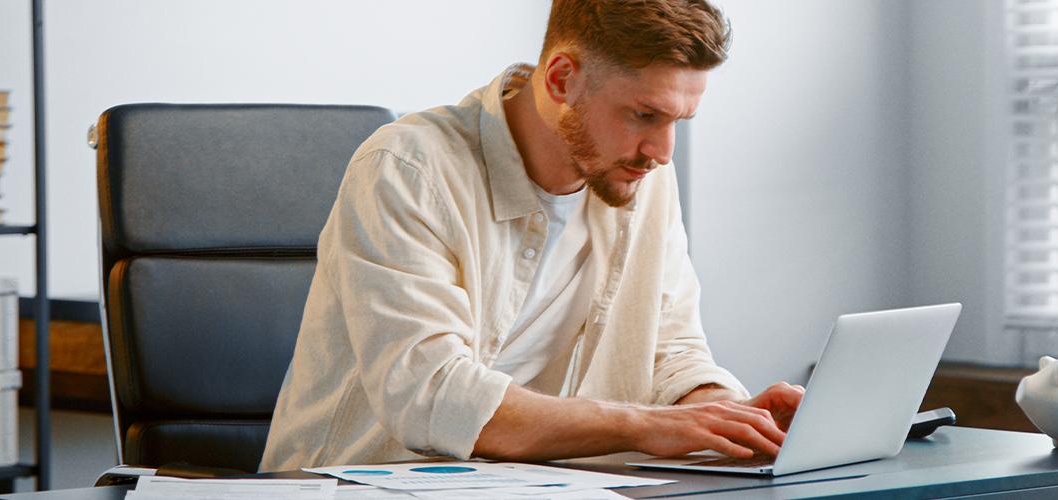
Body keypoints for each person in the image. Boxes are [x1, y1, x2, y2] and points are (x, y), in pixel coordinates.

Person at [259, 0, 804, 472]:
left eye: (678, 122)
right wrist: (646, 426)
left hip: (543, 485)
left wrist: (729, 415)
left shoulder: (641, 178)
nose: (662, 152)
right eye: (643, 114)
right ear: (562, 79)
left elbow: (671, 350)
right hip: (360, 482)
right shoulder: (407, 168)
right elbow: (430, 395)